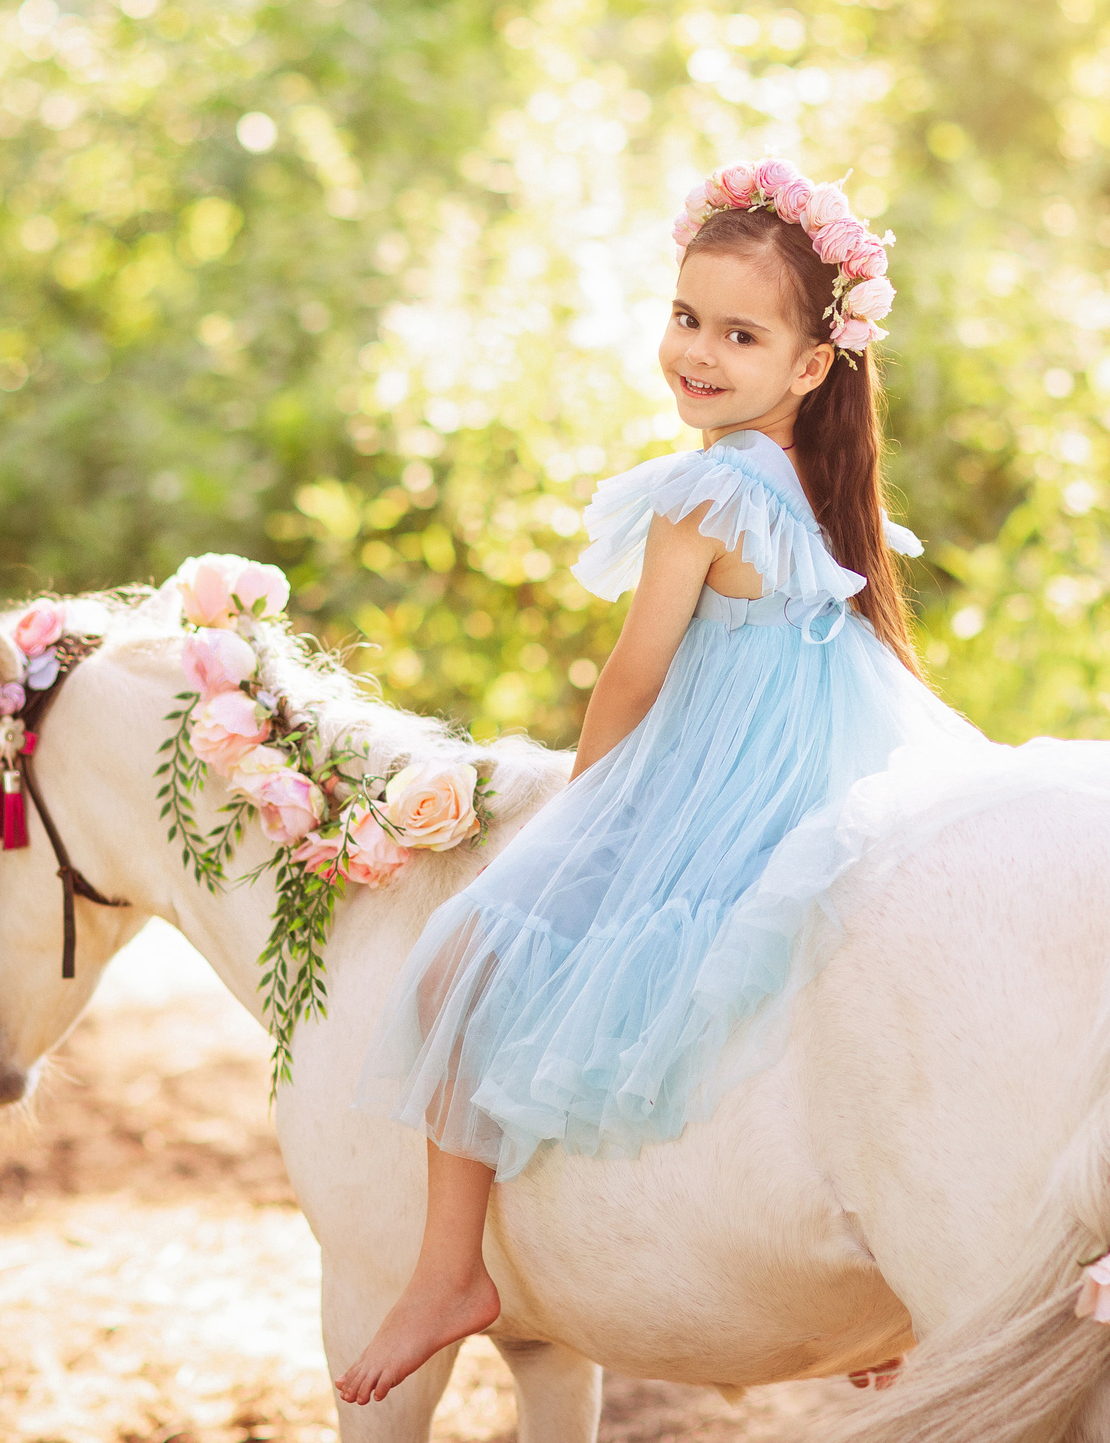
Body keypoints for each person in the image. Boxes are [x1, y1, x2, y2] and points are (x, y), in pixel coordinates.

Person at [338, 157, 985, 1405]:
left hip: (721, 781)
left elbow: (633, 677)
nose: (696, 351)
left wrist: (578, 808)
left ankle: (443, 1271)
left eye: (738, 333)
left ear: (810, 365)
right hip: (823, 774)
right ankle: (880, 1285)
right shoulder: (815, 485)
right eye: (686, 317)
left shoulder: (704, 487)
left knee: (464, 958)